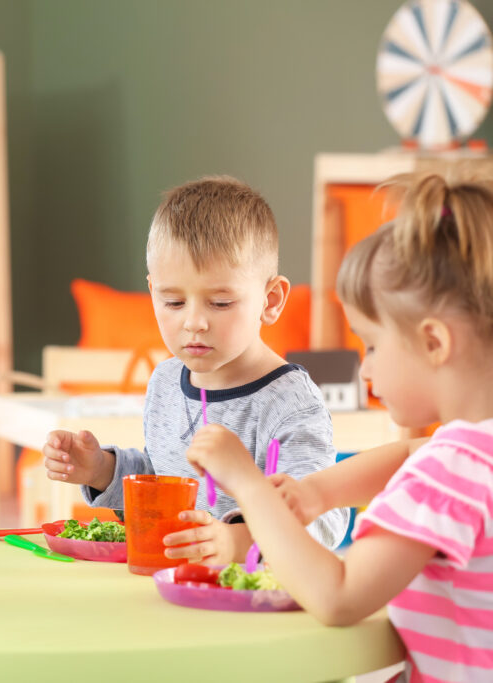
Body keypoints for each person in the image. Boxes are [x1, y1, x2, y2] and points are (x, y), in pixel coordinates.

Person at [187, 172, 493, 682]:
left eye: (371, 344)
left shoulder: (450, 471)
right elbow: (413, 453)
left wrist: (248, 484)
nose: (365, 368)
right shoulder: (473, 456)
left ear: (434, 343)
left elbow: (338, 596)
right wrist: (316, 494)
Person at [43, 176, 348, 563]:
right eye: (173, 302)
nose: (194, 323)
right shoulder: (166, 381)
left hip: (256, 591)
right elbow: (163, 481)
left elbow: (323, 519)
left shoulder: (290, 402)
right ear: (153, 293)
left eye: (220, 303)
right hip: (174, 583)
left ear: (270, 300)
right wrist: (102, 470)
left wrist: (236, 542)